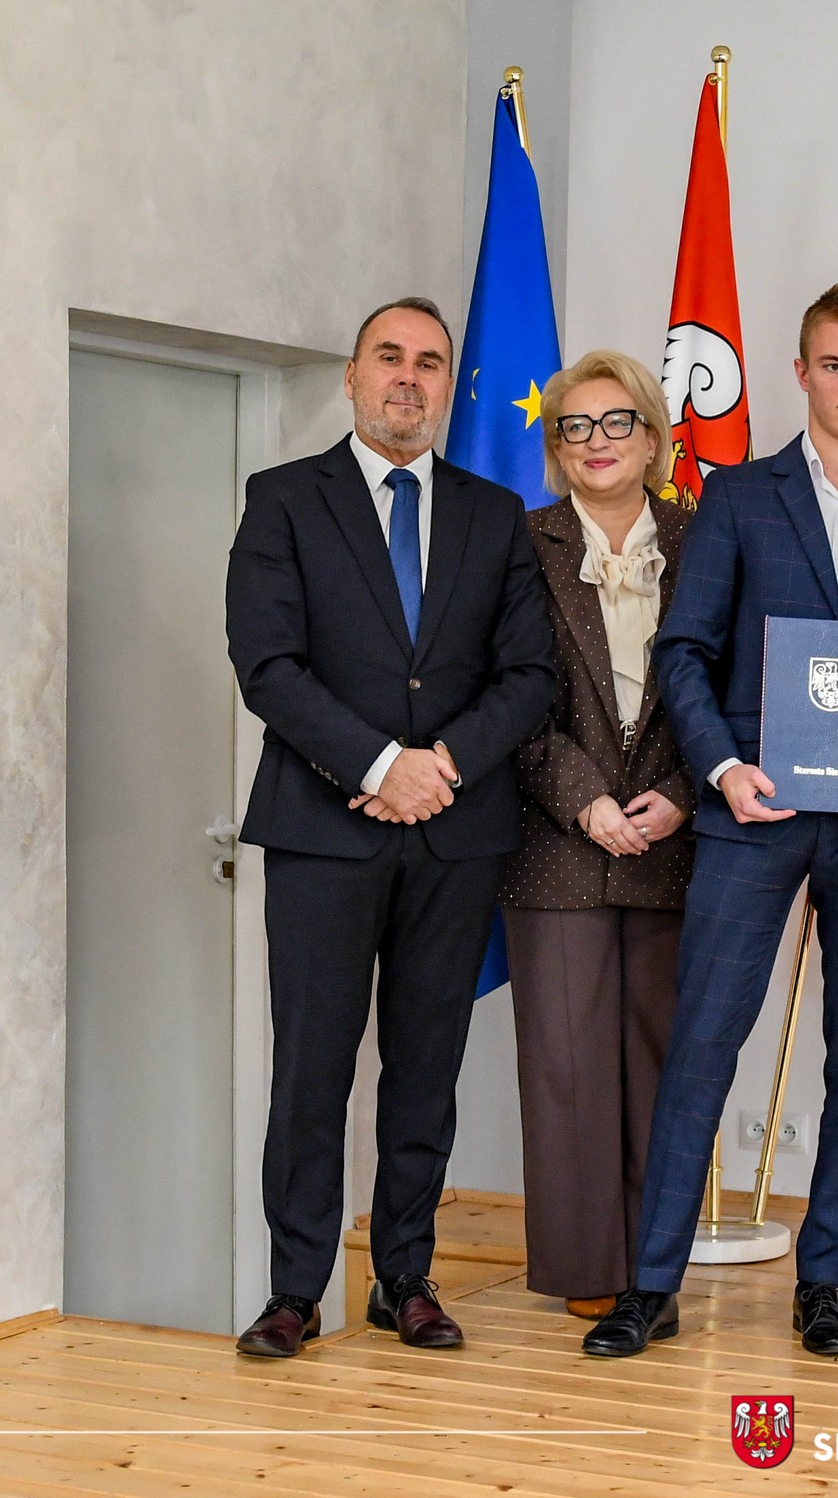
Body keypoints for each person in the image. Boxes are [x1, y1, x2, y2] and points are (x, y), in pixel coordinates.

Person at [582, 283, 838, 1359]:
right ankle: (649, 1283)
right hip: (752, 808)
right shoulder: (737, 498)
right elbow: (684, 650)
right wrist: (720, 767)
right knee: (702, 1039)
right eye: (833, 365)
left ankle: (826, 1282)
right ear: (800, 371)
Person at [225, 297, 556, 1359]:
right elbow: (267, 665)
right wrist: (378, 766)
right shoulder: (283, 500)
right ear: (353, 376)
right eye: (389, 357)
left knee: (425, 1066)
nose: (408, 377)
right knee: (311, 1068)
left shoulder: (495, 514)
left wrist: (437, 767)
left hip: (454, 831)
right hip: (323, 832)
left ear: (447, 384)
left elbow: (529, 675)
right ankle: (294, 1289)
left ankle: (404, 1277)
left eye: (429, 362)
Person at [499, 350, 696, 1321]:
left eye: (617, 422)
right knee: (567, 1065)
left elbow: (736, 683)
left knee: (662, 1061)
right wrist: (584, 800)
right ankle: (589, 1266)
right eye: (574, 426)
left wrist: (681, 795)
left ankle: (652, 1269)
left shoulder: (705, 539)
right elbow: (503, 695)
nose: (595, 441)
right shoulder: (517, 544)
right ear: (555, 447)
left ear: (652, 438)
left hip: (676, 838)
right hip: (554, 841)